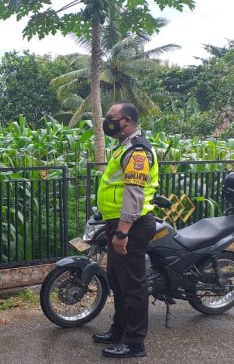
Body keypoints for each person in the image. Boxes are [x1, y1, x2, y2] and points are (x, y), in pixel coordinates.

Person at [91, 102, 159, 358]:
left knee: (133, 285)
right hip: (119, 223)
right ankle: (119, 330)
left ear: (127, 121)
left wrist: (122, 232)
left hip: (132, 225)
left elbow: (134, 193)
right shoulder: (123, 147)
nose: (107, 121)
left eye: (111, 117)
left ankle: (134, 343)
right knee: (118, 282)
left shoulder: (138, 151)